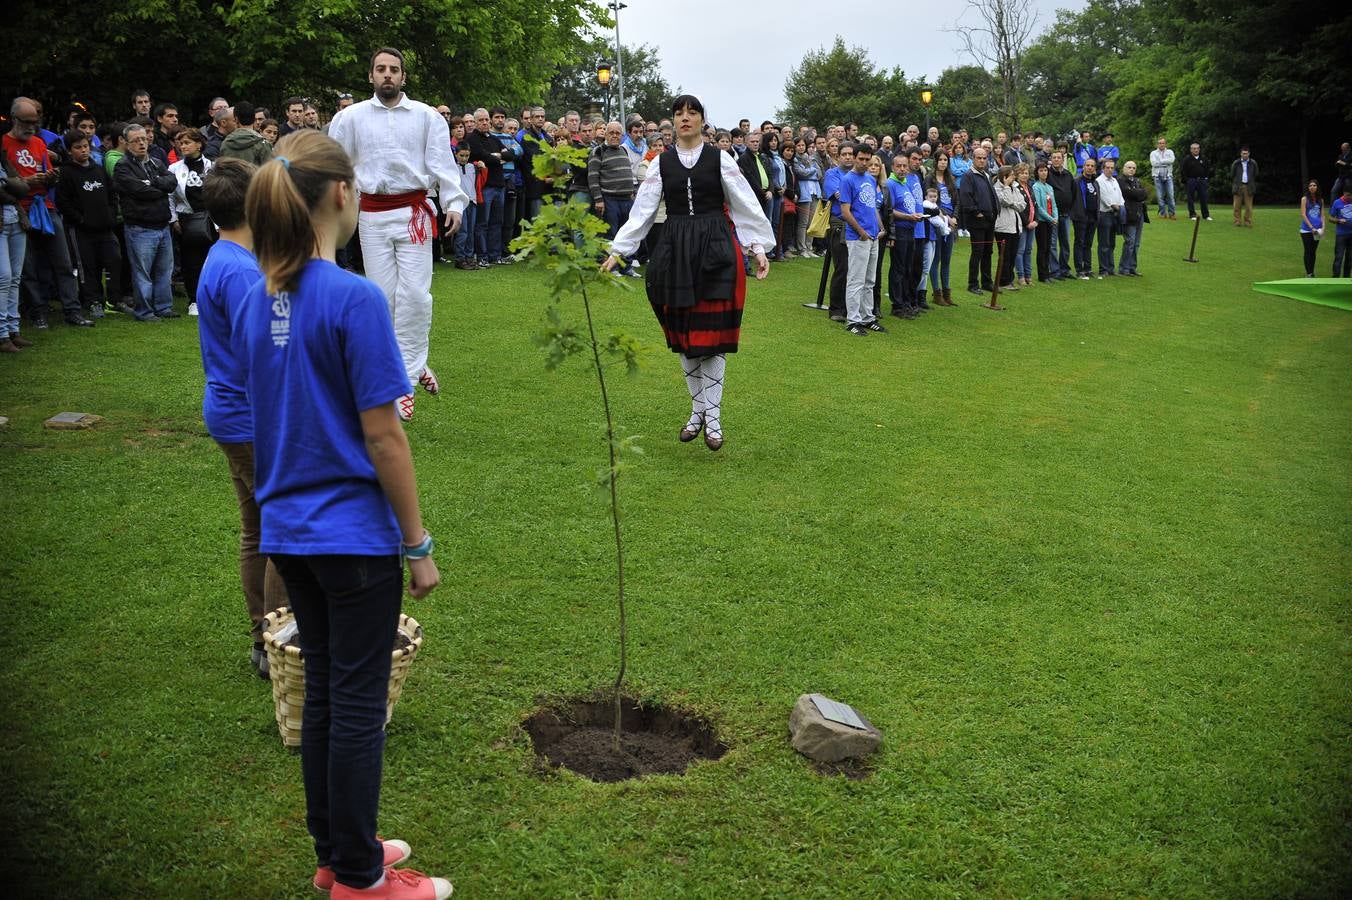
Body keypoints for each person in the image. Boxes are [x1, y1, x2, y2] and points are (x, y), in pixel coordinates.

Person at [236, 130, 448, 899]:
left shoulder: (259, 300)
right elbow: (384, 435)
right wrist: (418, 544)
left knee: (325, 691)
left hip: (287, 536)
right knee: (355, 706)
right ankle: (361, 879)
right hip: (352, 540)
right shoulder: (354, 298)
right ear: (340, 196)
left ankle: (339, 852)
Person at [603, 94, 773, 451]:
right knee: (687, 337)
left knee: (712, 338)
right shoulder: (660, 164)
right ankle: (697, 411)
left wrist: (757, 246)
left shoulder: (721, 158)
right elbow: (642, 212)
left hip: (715, 247)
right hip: (676, 249)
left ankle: (713, 417)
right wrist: (619, 251)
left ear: (701, 120)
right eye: (679, 113)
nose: (685, 118)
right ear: (673, 121)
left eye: (692, 112)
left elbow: (744, 202)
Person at [328, 47, 467, 421]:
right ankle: (412, 366)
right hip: (371, 215)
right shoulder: (349, 118)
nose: (387, 75)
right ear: (371, 76)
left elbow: (443, 165)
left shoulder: (426, 117)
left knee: (416, 296)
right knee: (383, 299)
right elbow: (336, 165)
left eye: (393, 70)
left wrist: (454, 204)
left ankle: (404, 380)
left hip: (413, 214)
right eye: (380, 69)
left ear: (403, 77)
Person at [193, 157, 288, 678]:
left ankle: (262, 639)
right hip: (250, 418)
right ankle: (277, 641)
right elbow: (267, 354)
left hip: (231, 413)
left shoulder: (223, 256)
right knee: (280, 534)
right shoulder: (241, 273)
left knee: (256, 529)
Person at [5, 97, 89, 329]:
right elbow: (5, 182)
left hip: (46, 207)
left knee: (63, 262)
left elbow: (47, 172)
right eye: (26, 122)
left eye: (35, 121)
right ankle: (38, 312)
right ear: (14, 119)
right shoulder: (4, 144)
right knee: (28, 267)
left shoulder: (39, 144)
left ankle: (72, 310)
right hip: (21, 209)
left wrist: (52, 176)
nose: (32, 127)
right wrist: (27, 181)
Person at [115, 123, 180, 321]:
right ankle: (144, 310)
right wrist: (158, 186)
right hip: (139, 227)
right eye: (136, 140)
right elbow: (139, 191)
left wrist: (152, 183)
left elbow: (172, 182)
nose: (142, 143)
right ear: (126, 144)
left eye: (144, 138)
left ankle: (163, 307)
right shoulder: (123, 166)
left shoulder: (156, 162)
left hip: (162, 224)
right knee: (142, 273)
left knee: (164, 270)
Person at [56, 130, 120, 320]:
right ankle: (93, 301)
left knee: (114, 259)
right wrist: (81, 219)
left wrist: (110, 213)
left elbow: (112, 193)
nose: (83, 151)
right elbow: (63, 202)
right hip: (81, 230)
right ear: (69, 151)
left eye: (86, 146)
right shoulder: (66, 173)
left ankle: (114, 300)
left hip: (105, 226)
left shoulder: (98, 169)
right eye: (78, 147)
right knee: (87, 266)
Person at [838, 143, 885, 336]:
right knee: (856, 279)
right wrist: (861, 231)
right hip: (858, 237)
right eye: (861, 159)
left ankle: (867, 317)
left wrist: (880, 226)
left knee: (870, 280)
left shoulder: (870, 179)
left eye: (868, 159)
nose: (865, 163)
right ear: (855, 157)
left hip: (873, 235)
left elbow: (872, 206)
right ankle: (853, 320)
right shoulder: (848, 180)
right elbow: (845, 211)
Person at [169, 129, 215, 314]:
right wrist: (173, 219)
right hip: (187, 220)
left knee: (211, 260)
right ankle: (194, 300)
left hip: (211, 220)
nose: (183, 146)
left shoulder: (212, 167)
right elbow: (170, 197)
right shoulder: (174, 168)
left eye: (187, 142)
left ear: (199, 144)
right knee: (191, 262)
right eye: (181, 143)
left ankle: (212, 297)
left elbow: (218, 194)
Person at [958, 145, 998, 294]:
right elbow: (966, 198)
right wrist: (977, 213)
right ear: (973, 159)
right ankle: (973, 284)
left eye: (984, 158)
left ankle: (987, 282)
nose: (982, 160)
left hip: (990, 219)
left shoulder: (986, 175)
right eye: (979, 158)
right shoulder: (968, 176)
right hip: (977, 221)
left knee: (988, 252)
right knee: (977, 252)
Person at [822, 142, 854, 320]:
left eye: (851, 154)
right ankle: (836, 309)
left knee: (855, 270)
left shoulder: (859, 175)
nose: (848, 157)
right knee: (842, 267)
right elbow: (839, 196)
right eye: (845, 154)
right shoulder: (832, 174)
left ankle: (851, 307)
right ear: (839, 156)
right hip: (839, 224)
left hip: (856, 224)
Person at [0, 153, 28, 351]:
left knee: (15, 277)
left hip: (16, 221)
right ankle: (2, 335)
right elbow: (17, 189)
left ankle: (13, 330)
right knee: (4, 277)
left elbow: (24, 188)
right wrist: (14, 188)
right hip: (1, 225)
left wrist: (10, 186)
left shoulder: (3, 159)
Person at [925, 151, 957, 304]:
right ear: (935, 161)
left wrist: (955, 217)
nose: (943, 162)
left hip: (951, 223)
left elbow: (957, 201)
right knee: (936, 258)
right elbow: (930, 203)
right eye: (941, 160)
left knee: (947, 259)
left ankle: (946, 292)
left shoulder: (950, 179)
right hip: (937, 221)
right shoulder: (929, 179)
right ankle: (937, 293)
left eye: (946, 160)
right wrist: (946, 217)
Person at [993, 165, 1025, 291]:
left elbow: (1022, 204)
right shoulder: (997, 188)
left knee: (1012, 254)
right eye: (1012, 175)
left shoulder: (1015, 187)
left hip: (1015, 226)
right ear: (1005, 177)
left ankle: (1009, 279)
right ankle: (1003, 281)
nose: (1014, 177)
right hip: (1003, 227)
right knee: (1004, 255)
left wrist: (1013, 203)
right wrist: (1006, 186)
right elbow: (1006, 201)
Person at [1069, 157, 1100, 280]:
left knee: (1088, 243)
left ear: (1095, 168)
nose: (1090, 168)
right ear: (1083, 167)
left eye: (1092, 166)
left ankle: (1088, 268)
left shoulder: (1095, 182)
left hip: (1093, 217)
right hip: (1081, 216)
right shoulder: (1077, 181)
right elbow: (1072, 198)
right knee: (1079, 243)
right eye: (1088, 165)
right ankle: (1079, 270)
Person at [1047, 150, 1075, 280]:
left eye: (1059, 157)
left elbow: (1073, 193)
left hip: (1066, 214)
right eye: (1054, 158)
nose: (1057, 159)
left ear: (1062, 159)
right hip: (1052, 215)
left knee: (1065, 243)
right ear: (1051, 159)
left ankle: (1064, 269)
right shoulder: (1047, 174)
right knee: (1052, 244)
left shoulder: (1068, 175)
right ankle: (1054, 270)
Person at [218, 102, 274, 166]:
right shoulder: (263, 144)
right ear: (254, 119)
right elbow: (269, 172)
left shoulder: (225, 144)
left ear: (236, 119)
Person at [1118, 160, 1148, 277]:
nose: (1131, 170)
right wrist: (1138, 193)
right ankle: (1124, 268)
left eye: (1133, 168)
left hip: (1140, 214)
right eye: (1129, 167)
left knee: (1136, 243)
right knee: (1129, 242)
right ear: (1124, 168)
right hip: (1129, 215)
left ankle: (1132, 267)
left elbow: (1144, 193)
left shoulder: (1136, 180)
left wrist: (1138, 193)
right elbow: (1128, 193)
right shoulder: (1120, 181)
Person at [1095, 158, 1124, 277]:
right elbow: (1104, 197)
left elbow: (1120, 195)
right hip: (1104, 213)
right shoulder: (1099, 181)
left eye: (1112, 168)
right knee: (1104, 243)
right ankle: (1103, 269)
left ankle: (1111, 268)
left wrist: (1121, 206)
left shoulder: (1114, 181)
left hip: (1115, 214)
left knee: (1112, 243)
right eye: (1108, 167)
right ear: (1103, 168)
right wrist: (1114, 205)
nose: (1110, 170)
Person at [1031, 162, 1058, 283]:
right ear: (1037, 173)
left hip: (1050, 221)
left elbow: (1054, 204)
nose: (1044, 173)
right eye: (1041, 171)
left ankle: (1047, 273)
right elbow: (1039, 207)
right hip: (1042, 221)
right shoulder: (1036, 187)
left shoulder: (1049, 187)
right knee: (1042, 248)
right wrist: (1050, 218)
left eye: (1045, 170)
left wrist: (1055, 217)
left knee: (1049, 248)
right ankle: (1042, 275)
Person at [1299, 180, 1323, 278]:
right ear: (1308, 188)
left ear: (1317, 187)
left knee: (1313, 251)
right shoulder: (1304, 199)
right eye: (1310, 185)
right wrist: (1311, 227)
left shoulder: (1320, 200)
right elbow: (1303, 214)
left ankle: (1312, 272)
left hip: (1317, 230)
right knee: (1308, 251)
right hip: (1306, 230)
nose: (1312, 187)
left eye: (1314, 185)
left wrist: (1323, 227)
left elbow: (1322, 215)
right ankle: (1309, 273)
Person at [1181, 143, 1211, 220]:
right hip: (1191, 180)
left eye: (1197, 148)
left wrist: (1206, 178)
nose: (1196, 150)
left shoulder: (1203, 158)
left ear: (1199, 149)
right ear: (1191, 150)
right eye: (1194, 148)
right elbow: (1183, 171)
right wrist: (1187, 180)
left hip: (1201, 180)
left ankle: (1206, 215)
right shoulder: (1187, 159)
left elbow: (1207, 169)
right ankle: (1192, 214)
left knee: (1203, 197)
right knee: (1191, 198)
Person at [1230, 147, 1258, 227]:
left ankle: (1247, 222)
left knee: (1248, 206)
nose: (1244, 155)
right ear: (1240, 154)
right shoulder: (1236, 163)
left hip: (1249, 186)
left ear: (1249, 154)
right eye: (1243, 153)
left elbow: (1256, 173)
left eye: (1246, 153)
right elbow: (1232, 174)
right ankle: (1237, 221)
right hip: (1238, 186)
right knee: (1236, 206)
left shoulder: (1253, 163)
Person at [1149, 138, 1176, 219]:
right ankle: (1162, 213)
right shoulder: (1153, 153)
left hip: (1168, 176)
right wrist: (1166, 162)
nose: (1161, 144)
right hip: (1157, 176)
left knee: (1170, 195)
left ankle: (1172, 213)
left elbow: (1172, 160)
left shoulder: (1170, 152)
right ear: (1157, 144)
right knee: (1160, 196)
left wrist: (1160, 161)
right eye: (1160, 143)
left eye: (1163, 143)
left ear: (1165, 144)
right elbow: (1153, 163)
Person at [1331, 185, 1352, 277]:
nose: (1350, 197)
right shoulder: (1337, 203)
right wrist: (1339, 220)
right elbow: (1330, 218)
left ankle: (1346, 278)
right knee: (1339, 257)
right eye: (1348, 195)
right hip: (1341, 235)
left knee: (1350, 258)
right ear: (1344, 193)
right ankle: (1335, 277)